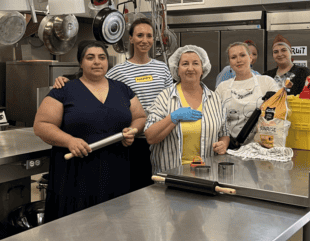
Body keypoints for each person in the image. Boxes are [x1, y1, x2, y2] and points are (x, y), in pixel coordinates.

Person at [53, 18, 173, 191]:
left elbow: (172, 99)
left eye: (149, 36)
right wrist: (67, 81)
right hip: (132, 141)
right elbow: (94, 82)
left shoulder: (162, 68)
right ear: (131, 38)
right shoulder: (117, 71)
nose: (144, 40)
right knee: (136, 189)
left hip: (161, 138)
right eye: (139, 35)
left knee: (161, 188)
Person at [34, 40, 147, 223]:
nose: (97, 62)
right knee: (76, 227)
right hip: (75, 175)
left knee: (115, 225)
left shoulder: (122, 89)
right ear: (81, 62)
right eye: (90, 57)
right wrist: (69, 140)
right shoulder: (64, 90)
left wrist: (132, 130)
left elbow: (140, 116)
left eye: (102, 57)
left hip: (116, 170)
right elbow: (41, 125)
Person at [144, 45, 230, 174]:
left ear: (203, 69)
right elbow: (150, 137)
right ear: (177, 70)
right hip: (171, 174)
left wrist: (223, 144)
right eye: (185, 64)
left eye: (195, 63)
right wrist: (173, 117)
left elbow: (224, 132)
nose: (190, 68)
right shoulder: (165, 97)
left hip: (207, 173)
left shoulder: (215, 99)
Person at [215, 42, 279, 144]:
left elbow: (280, 113)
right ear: (230, 63)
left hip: (262, 147)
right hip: (230, 148)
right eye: (233, 57)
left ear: (250, 58)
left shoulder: (267, 82)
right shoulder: (222, 87)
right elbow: (216, 119)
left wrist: (273, 103)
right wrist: (224, 140)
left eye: (242, 55)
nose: (239, 60)